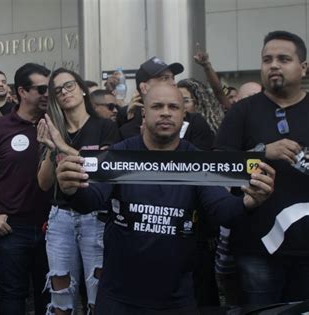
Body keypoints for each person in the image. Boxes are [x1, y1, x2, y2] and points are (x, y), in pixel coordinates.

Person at [55, 83, 275, 314]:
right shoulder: (119, 155)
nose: (166, 112)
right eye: (157, 106)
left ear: (183, 115)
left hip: (177, 298)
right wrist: (71, 189)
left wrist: (249, 202)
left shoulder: (196, 160)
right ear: (144, 113)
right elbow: (90, 201)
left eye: (173, 107)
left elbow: (222, 211)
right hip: (119, 298)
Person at [215, 30, 309, 306]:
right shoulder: (242, 111)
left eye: (283, 58)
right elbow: (218, 165)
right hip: (258, 247)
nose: (274, 65)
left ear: (303, 67)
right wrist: (263, 153)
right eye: (267, 59)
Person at [37, 68, 119, 314]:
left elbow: (104, 170)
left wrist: (63, 147)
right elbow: (43, 184)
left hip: (97, 217)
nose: (64, 92)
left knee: (98, 293)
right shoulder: (54, 128)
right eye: (58, 90)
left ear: (83, 89)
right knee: (60, 293)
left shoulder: (104, 126)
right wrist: (53, 149)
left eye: (69, 86)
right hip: (60, 217)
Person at [0, 63, 51, 315]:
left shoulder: (56, 123)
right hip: (12, 227)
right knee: (12, 294)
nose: (47, 94)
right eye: (41, 89)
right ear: (22, 91)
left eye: (49, 88)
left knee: (51, 293)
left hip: (53, 226)